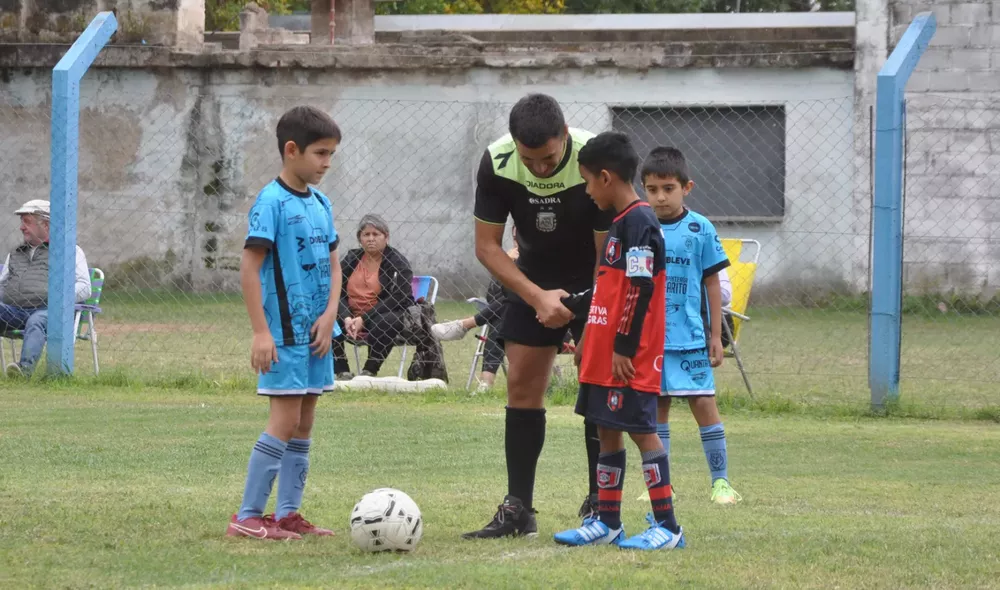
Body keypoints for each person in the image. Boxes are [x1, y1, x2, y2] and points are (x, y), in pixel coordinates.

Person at [463, 93, 613, 540]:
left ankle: (601, 503)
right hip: (532, 280)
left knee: (599, 385)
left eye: (549, 158)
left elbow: (609, 253)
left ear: (564, 137)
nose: (541, 168)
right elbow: (487, 246)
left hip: (594, 278)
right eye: (531, 160)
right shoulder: (497, 162)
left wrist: (581, 304)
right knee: (523, 386)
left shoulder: (595, 157)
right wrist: (537, 297)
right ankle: (518, 511)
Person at [553, 131, 684, 550]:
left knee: (642, 430)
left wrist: (624, 347)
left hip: (628, 356)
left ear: (606, 177)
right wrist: (573, 307)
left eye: (588, 181)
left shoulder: (640, 222)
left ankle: (668, 526)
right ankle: (607, 521)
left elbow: (641, 288)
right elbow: (610, 286)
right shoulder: (619, 225)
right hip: (603, 355)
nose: (588, 191)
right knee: (606, 430)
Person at [227, 105, 342, 540]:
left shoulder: (322, 203)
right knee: (284, 420)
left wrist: (332, 313)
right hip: (285, 335)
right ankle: (248, 515)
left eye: (331, 154)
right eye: (320, 153)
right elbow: (249, 268)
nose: (327, 163)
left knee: (304, 423)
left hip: (317, 336)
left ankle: (288, 514)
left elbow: (334, 267)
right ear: (291, 150)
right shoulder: (270, 203)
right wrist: (261, 331)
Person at [642, 146, 741, 505]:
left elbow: (713, 284)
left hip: (691, 337)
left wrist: (716, 335)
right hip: (650, 341)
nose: (660, 197)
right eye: (652, 189)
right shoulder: (640, 226)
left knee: (703, 401)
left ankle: (721, 483)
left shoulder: (700, 228)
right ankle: (660, 485)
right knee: (657, 406)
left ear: (687, 187)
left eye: (668, 188)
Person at [0, 199, 91, 377]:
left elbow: (85, 286)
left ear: (46, 225)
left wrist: (59, 299)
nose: (21, 227)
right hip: (14, 311)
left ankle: (23, 371)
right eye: (22, 222)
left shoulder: (69, 251)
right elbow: (3, 283)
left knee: (37, 320)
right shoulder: (16, 253)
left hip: (49, 311)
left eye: (27, 222)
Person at [431, 229, 519, 391]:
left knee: (507, 311)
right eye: (514, 237)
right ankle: (485, 383)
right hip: (514, 317)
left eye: (522, 235)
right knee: (502, 318)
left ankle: (466, 324)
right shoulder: (510, 259)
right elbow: (492, 296)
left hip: (546, 320)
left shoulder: (543, 259)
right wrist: (506, 265)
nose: (518, 241)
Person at [331, 214, 416, 379]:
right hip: (351, 316)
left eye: (376, 234)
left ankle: (369, 370)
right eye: (366, 235)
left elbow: (399, 298)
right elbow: (336, 290)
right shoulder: (352, 259)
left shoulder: (398, 262)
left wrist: (364, 318)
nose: (371, 239)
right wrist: (346, 317)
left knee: (385, 321)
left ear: (386, 237)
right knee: (325, 315)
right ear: (360, 239)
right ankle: (342, 371)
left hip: (382, 314)